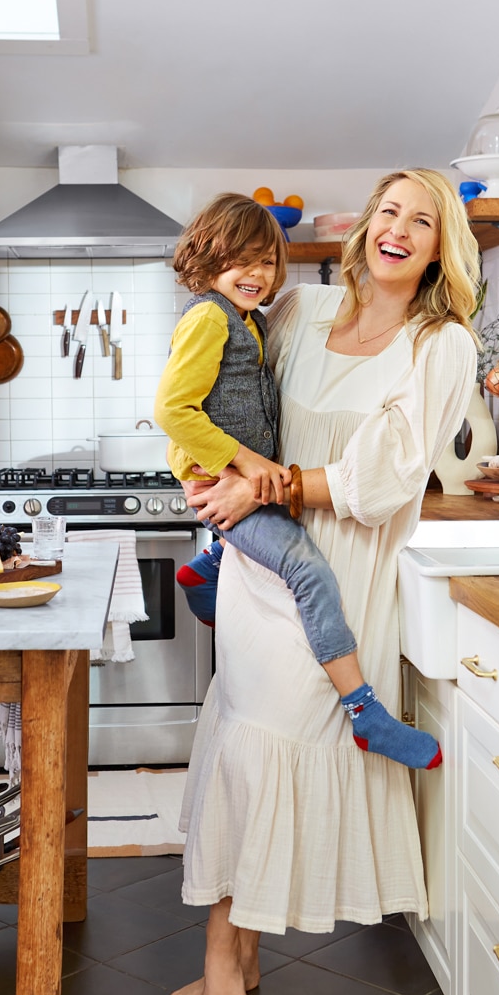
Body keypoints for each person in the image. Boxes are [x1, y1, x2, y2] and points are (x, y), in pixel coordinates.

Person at [161, 168, 481, 995]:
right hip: (261, 561)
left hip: (336, 576)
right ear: (366, 224)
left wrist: (261, 487)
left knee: (276, 745)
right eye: (389, 211)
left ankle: (228, 954)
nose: (398, 229)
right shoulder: (300, 311)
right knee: (246, 740)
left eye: (422, 221)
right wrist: (215, 478)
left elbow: (384, 479)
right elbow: (228, 402)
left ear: (441, 248)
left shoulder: (441, 344)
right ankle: (235, 952)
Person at [154, 192, 440, 770]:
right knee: (309, 572)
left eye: (266, 261)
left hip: (234, 478)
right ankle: (365, 712)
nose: (257, 274)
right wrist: (246, 464)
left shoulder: (251, 319)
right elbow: (172, 409)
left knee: (275, 537)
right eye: (240, 260)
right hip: (227, 476)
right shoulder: (209, 317)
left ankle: (207, 567)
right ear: (206, 259)